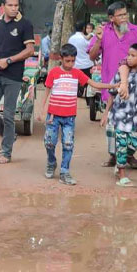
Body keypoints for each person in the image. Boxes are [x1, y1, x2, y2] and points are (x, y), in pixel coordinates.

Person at [33, 43, 116, 186]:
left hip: (69, 117)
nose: (70, 64)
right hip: (53, 115)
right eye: (67, 61)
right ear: (61, 58)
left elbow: (94, 84)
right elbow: (47, 91)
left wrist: (112, 85)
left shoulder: (77, 73)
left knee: (68, 143)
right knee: (49, 142)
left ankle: (65, 171)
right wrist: (42, 110)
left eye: (73, 61)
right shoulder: (53, 73)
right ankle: (51, 162)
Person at [89, 2, 137, 168]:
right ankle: (113, 155)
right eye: (120, 15)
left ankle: (130, 154)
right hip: (110, 84)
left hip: (133, 86)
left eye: (125, 14)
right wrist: (99, 41)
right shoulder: (103, 31)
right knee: (112, 124)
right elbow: (92, 56)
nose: (124, 18)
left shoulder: (136, 31)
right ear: (111, 18)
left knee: (133, 122)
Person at [0, 0, 35, 164]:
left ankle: (6, 152)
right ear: (3, 7)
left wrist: (9, 60)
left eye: (16, 5)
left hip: (13, 76)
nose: (13, 8)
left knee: (9, 114)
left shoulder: (25, 25)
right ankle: (9, 135)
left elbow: (30, 50)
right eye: (10, 5)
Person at [107, 43, 137, 187]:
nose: (129, 58)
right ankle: (121, 175)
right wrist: (106, 113)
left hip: (134, 118)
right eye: (128, 55)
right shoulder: (121, 74)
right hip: (120, 116)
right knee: (121, 145)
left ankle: (121, 162)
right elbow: (112, 93)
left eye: (133, 56)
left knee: (132, 145)